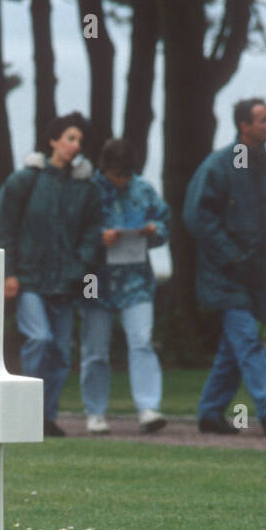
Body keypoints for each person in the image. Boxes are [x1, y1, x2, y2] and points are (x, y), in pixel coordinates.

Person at [184, 97, 266, 437]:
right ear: (243, 126)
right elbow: (197, 216)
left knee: (233, 349)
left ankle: (210, 411)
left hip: (259, 275)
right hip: (226, 275)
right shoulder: (218, 167)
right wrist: (230, 255)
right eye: (262, 119)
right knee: (246, 340)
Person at [0, 112, 102, 437]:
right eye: (69, 138)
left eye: (79, 140)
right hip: (29, 281)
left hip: (65, 285)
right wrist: (8, 272)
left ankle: (44, 417)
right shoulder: (25, 180)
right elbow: (1, 227)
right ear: (53, 140)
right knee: (39, 340)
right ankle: (21, 413)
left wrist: (78, 269)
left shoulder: (86, 189)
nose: (75, 145)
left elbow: (93, 235)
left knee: (61, 353)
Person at [84, 138, 170, 435]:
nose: (122, 180)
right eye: (116, 174)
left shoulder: (143, 188)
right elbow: (73, 230)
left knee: (142, 341)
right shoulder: (87, 190)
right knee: (95, 349)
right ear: (104, 168)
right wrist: (99, 238)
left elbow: (163, 222)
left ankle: (148, 407)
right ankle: (95, 412)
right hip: (96, 281)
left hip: (136, 280)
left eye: (126, 174)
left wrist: (153, 231)